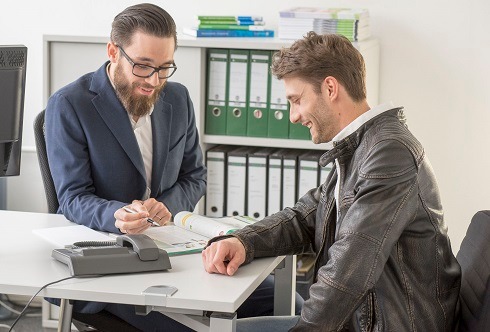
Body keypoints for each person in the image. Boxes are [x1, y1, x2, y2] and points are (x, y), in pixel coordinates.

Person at [45, 4, 301, 330]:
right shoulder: (70, 105)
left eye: (165, 67)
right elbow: (72, 197)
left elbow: (195, 176)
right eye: (143, 66)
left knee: (289, 303)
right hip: (107, 265)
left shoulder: (177, 98)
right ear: (113, 51)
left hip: (175, 251)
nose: (154, 80)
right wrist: (117, 216)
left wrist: (167, 205)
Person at [202, 32, 461, 331]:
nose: (294, 116)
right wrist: (243, 241)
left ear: (329, 87)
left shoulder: (390, 152)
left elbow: (347, 272)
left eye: (297, 100)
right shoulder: (361, 147)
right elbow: (306, 216)